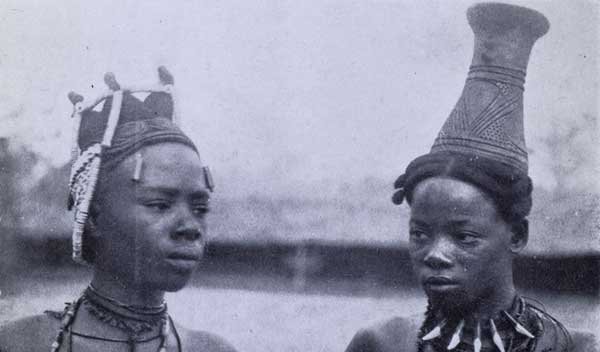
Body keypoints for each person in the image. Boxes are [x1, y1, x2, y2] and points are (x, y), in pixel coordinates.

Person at [345, 3, 598, 352]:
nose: (435, 254)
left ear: (518, 234)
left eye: (463, 236)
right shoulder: (382, 343)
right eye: (419, 233)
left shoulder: (572, 348)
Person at [0, 67, 238, 352]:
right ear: (95, 217)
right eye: (159, 204)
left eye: (200, 208)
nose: (190, 227)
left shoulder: (210, 350)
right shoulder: (22, 343)